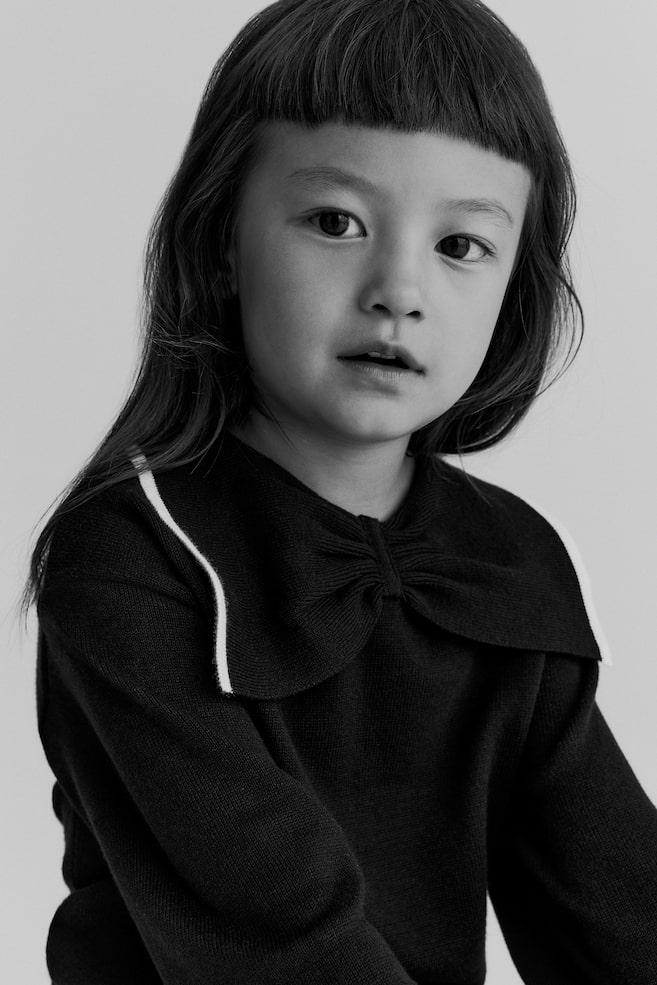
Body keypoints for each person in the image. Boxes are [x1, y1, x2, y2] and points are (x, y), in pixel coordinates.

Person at [22, 0, 657, 982]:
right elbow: (279, 930)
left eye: (461, 245)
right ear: (221, 241)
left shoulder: (511, 559)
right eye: (335, 222)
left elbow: (617, 906)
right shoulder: (129, 556)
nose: (398, 289)